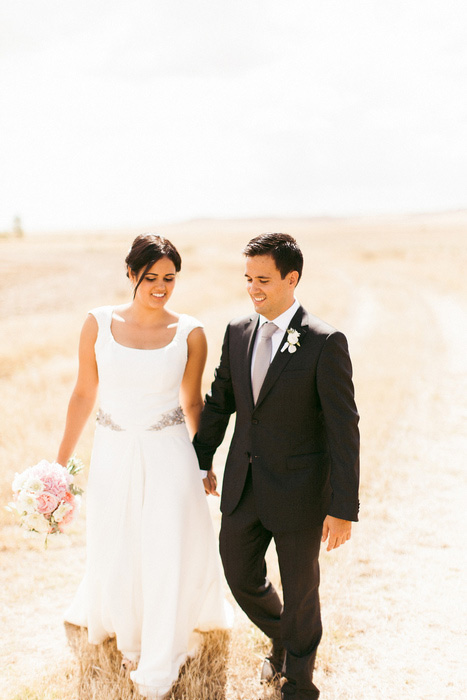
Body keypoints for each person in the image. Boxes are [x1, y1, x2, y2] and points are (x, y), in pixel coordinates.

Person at [58, 233, 230, 700]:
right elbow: (82, 393)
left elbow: (192, 401)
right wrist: (59, 465)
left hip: (170, 454)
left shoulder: (191, 332)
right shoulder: (96, 323)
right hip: (113, 452)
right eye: (151, 277)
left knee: (164, 544)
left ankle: (162, 641)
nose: (160, 286)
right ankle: (128, 628)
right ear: (131, 274)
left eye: (169, 278)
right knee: (117, 540)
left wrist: (204, 462)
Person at [194, 233, 360, 700]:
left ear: (292, 278)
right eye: (248, 279)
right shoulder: (237, 331)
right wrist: (199, 457)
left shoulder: (326, 342)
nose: (253, 289)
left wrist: (343, 506)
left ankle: (299, 683)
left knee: (302, 589)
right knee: (239, 573)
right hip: (243, 486)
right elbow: (220, 401)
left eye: (263, 280)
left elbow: (344, 430)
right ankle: (285, 639)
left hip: (301, 492)